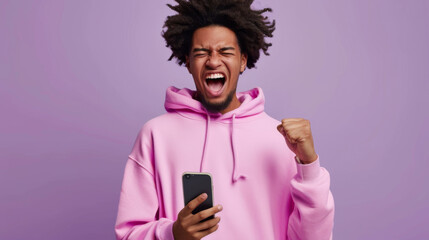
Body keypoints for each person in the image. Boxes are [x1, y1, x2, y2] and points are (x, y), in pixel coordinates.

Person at [115, 0, 334, 239]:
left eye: (225, 51)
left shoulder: (281, 139)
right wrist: (173, 234)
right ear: (187, 62)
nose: (213, 61)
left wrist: (309, 165)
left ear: (243, 60)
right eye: (201, 53)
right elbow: (128, 234)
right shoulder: (155, 135)